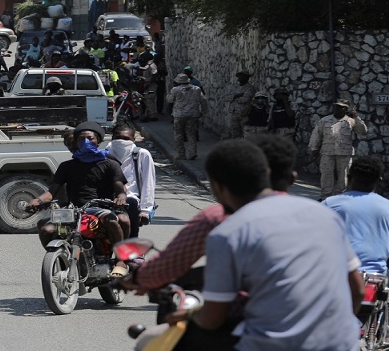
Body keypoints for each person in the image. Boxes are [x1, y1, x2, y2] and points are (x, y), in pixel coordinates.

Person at [163, 139, 364, 351]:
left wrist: (190, 314)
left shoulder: (228, 233)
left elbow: (212, 318)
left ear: (216, 186)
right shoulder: (325, 215)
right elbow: (357, 290)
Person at [122, 134, 299, 297]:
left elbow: (172, 264)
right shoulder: (321, 212)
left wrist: (140, 279)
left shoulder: (218, 217)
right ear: (293, 178)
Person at [28, 121, 132, 277]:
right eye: (81, 139)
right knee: (45, 229)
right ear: (76, 142)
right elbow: (51, 192)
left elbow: (120, 190)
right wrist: (38, 200)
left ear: (98, 140)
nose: (86, 142)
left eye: (90, 139)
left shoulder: (110, 164)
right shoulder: (66, 166)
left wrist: (121, 199)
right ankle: (61, 258)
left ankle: (120, 261)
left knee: (112, 221)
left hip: (100, 208)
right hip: (73, 209)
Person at [323, 156, 389, 275]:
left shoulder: (330, 204)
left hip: (337, 275)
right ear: (378, 181)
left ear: (348, 179)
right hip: (377, 277)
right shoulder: (387, 206)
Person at [309, 99, 368, 200]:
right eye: (337, 106)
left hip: (344, 153)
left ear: (346, 109)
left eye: (341, 107)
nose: (338, 108)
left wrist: (356, 117)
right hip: (327, 152)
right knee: (326, 175)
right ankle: (325, 198)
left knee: (343, 178)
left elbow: (363, 131)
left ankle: (338, 198)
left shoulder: (351, 121)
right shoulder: (325, 120)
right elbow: (316, 134)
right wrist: (314, 148)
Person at [107, 121, 156, 233]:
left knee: (131, 228)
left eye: (125, 138)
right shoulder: (106, 153)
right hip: (108, 198)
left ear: (133, 139)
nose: (121, 142)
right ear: (112, 138)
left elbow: (148, 183)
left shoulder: (141, 154)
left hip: (131, 200)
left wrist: (145, 210)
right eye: (118, 138)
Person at [167, 74, 207, 160]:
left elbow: (170, 100)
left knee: (179, 134)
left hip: (179, 115)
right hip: (193, 114)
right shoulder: (196, 89)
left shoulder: (175, 90)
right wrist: (204, 111)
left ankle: (181, 154)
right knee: (191, 134)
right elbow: (203, 100)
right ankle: (192, 152)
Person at [227, 70, 256, 138]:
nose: (240, 78)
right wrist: (238, 95)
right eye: (239, 76)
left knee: (246, 134)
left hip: (244, 114)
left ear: (247, 77)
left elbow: (246, 99)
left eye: (243, 76)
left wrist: (234, 97)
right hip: (234, 113)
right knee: (234, 133)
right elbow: (226, 98)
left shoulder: (250, 88)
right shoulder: (234, 87)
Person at [137, 51, 159, 122]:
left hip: (151, 85)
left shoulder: (152, 65)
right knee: (147, 100)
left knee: (150, 100)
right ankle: (149, 115)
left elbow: (154, 75)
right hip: (147, 84)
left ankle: (153, 116)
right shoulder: (147, 65)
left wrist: (148, 83)